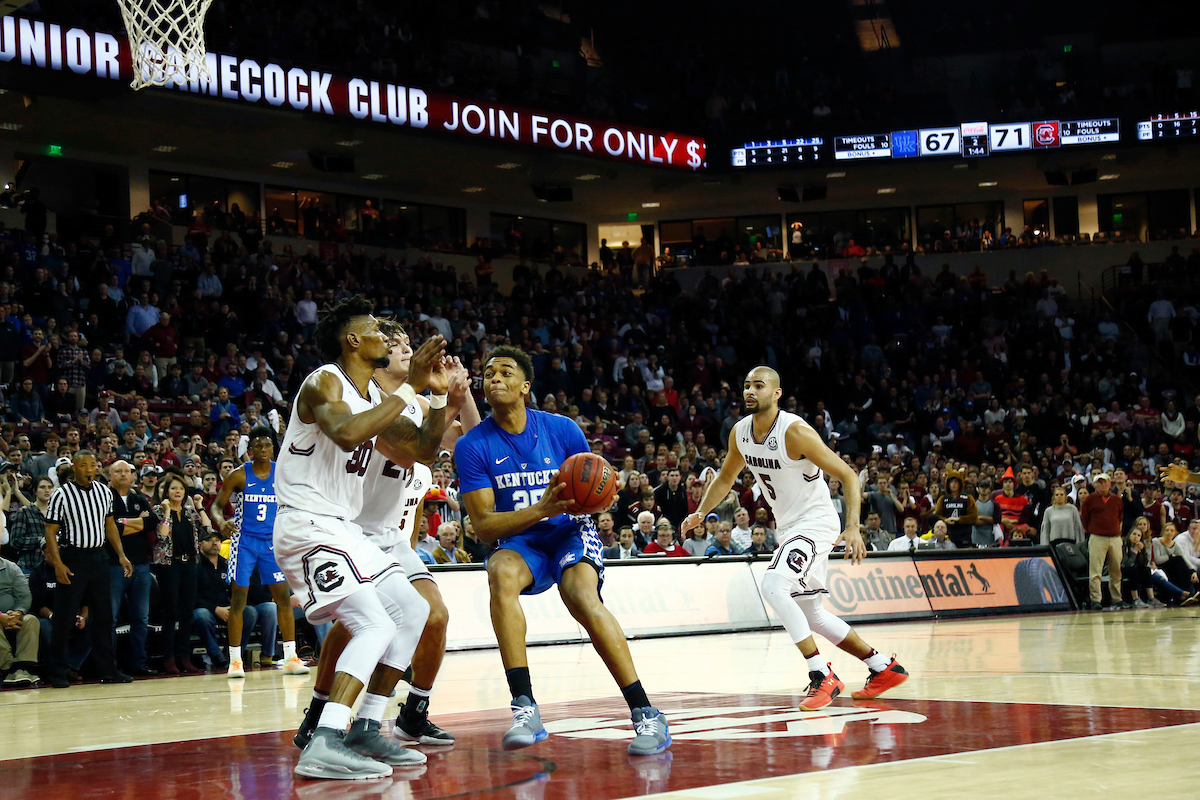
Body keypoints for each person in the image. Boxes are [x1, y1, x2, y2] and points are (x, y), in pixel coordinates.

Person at [456, 346, 672, 756]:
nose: (494, 378)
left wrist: (606, 491)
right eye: (488, 373)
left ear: (525, 386)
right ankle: (524, 707)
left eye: (505, 372)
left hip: (570, 531)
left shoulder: (563, 429)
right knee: (500, 573)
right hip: (521, 540)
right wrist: (541, 509)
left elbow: (595, 483)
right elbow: (483, 526)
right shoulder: (472, 445)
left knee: (580, 596)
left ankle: (646, 712)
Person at [275, 296, 444, 779]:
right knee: (373, 624)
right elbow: (347, 433)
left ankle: (367, 726)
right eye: (374, 329)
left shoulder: (373, 398)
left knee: (413, 610)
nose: (383, 337)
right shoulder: (324, 380)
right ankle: (324, 738)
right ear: (352, 340)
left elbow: (419, 450)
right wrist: (409, 388)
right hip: (306, 523)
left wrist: (434, 398)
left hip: (343, 529)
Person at [684, 366, 909, 711]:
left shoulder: (795, 431)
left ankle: (822, 674)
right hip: (790, 528)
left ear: (776, 393)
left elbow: (848, 476)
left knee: (774, 585)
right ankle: (883, 667)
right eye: (747, 385)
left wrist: (852, 526)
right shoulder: (740, 432)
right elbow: (726, 477)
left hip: (816, 523)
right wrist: (701, 512)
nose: (750, 391)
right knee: (813, 615)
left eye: (759, 386)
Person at [294, 318, 473, 751]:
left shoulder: (416, 403)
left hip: (389, 536)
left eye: (410, 342)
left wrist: (458, 394)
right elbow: (417, 450)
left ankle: (412, 712)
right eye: (397, 343)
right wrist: (440, 401)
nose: (409, 348)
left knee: (434, 616)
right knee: (355, 624)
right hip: (350, 528)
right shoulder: (366, 399)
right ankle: (320, 712)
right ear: (377, 356)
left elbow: (468, 437)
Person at [209, 426, 308, 678]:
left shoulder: (282, 473)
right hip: (244, 542)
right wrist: (220, 522)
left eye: (267, 445)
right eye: (258, 446)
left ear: (273, 448)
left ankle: (290, 657)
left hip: (272, 542)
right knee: (238, 600)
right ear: (250, 450)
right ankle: (235, 661)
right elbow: (217, 506)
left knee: (283, 597)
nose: (263, 450)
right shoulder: (239, 475)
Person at [41, 451, 134, 688]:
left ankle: (108, 670)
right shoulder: (61, 494)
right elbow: (50, 531)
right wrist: (58, 563)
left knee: (103, 617)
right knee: (63, 618)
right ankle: (58, 671)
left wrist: (121, 555)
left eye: (93, 464)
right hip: (73, 558)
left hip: (99, 558)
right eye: (84, 465)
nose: (89, 469)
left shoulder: (104, 492)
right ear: (74, 467)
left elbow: (110, 525)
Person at [152, 473, 214, 673]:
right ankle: (169, 658)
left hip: (190, 564)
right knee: (171, 612)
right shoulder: (159, 510)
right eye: (173, 488)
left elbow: (207, 528)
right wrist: (167, 512)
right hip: (169, 565)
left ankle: (185, 656)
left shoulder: (189, 511)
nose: (177, 491)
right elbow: (162, 536)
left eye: (180, 488)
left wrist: (200, 506)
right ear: (166, 491)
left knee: (187, 612)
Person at [193, 531, 278, 668]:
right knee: (201, 615)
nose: (215, 543)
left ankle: (233, 654)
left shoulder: (227, 564)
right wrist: (215, 609)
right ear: (200, 544)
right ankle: (216, 655)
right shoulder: (195, 565)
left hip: (228, 607)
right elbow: (190, 597)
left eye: (217, 540)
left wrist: (235, 607)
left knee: (249, 612)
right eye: (209, 540)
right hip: (206, 608)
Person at [107, 461, 158, 676]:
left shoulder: (139, 498)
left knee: (141, 618)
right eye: (118, 471)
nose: (123, 475)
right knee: (110, 618)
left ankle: (138, 663)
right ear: (110, 475)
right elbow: (109, 529)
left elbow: (152, 522)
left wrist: (123, 523)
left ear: (133, 476)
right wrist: (137, 523)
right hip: (113, 565)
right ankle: (110, 666)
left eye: (127, 471)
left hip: (141, 564)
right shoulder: (105, 498)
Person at [1080, 473, 1125, 610]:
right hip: (1097, 537)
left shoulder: (1117, 499)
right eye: (1100, 482)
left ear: (1110, 483)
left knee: (1116, 570)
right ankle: (1096, 600)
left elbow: (1120, 517)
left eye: (1105, 482)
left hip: (1115, 538)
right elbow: (1085, 519)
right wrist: (1093, 530)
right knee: (1095, 570)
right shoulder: (1089, 500)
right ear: (1094, 485)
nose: (1103, 484)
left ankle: (1117, 598)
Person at [1, 554, 39, 687]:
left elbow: (25, 596)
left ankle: (23, 668)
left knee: (31, 620)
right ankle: (9, 668)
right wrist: (1, 617)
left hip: (12, 615)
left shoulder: (11, 567)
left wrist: (18, 612)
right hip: (1, 616)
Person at [8, 477, 52, 572]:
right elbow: (15, 541)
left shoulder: (56, 513)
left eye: (49, 487)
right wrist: (42, 541)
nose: (47, 490)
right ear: (35, 491)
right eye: (42, 487)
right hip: (29, 566)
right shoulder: (24, 512)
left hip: (52, 567)